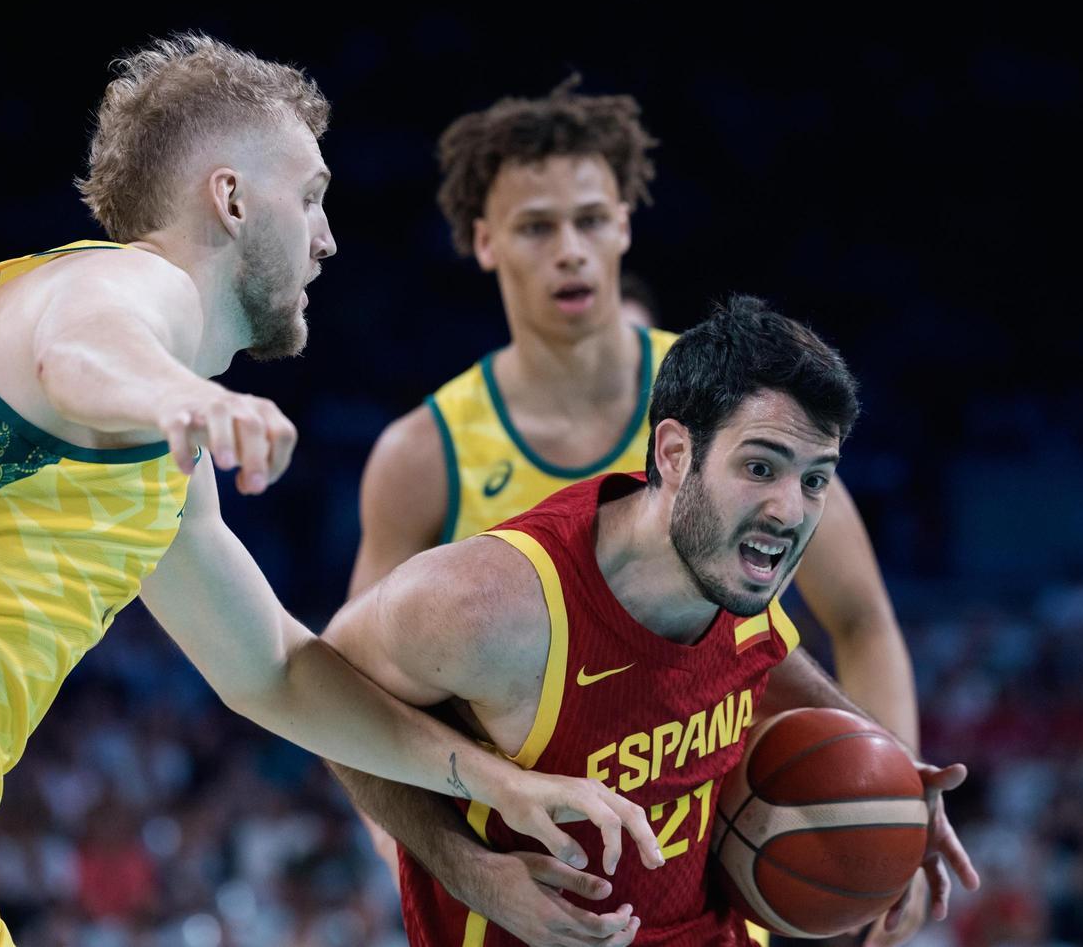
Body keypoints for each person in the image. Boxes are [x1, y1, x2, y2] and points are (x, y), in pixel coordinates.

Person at [0, 36, 657, 946]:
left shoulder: (160, 467)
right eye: (312, 196)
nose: (328, 237)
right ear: (232, 198)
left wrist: (494, 782)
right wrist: (187, 394)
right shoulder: (125, 285)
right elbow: (80, 347)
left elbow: (275, 673)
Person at [338, 80, 924, 944]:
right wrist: (436, 862)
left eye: (589, 219)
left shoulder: (747, 417)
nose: (569, 250)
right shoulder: (425, 456)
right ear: (484, 241)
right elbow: (347, 692)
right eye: (537, 226)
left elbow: (862, 620)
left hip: (707, 863)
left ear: (624, 224)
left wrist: (881, 804)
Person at [325, 298, 979, 946]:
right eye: (760, 467)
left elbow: (763, 654)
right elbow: (326, 699)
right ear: (672, 453)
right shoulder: (493, 605)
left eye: (815, 479)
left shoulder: (734, 573)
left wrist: (889, 777)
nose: (791, 509)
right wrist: (471, 870)